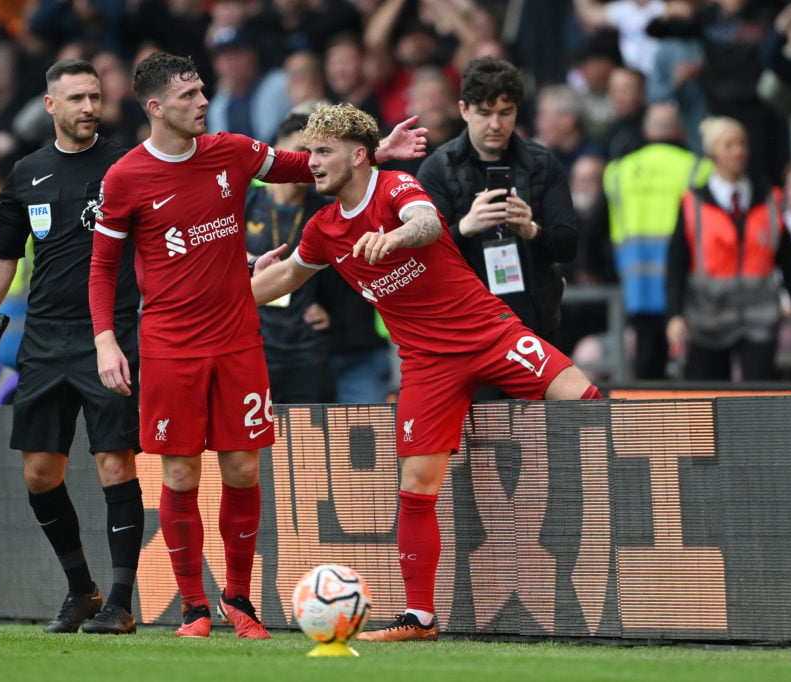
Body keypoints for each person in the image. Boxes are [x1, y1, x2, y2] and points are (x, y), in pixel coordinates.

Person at [88, 51, 426, 639]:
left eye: (201, 91)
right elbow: (101, 268)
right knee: (179, 476)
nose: (201, 102)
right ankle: (192, 607)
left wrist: (375, 156)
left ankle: (238, 600)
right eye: (189, 95)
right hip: (169, 344)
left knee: (244, 468)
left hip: (239, 336)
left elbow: (301, 166)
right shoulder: (125, 178)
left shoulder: (232, 151)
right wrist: (105, 341)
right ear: (156, 107)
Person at [250, 101, 602, 642]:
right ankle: (420, 619)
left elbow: (427, 221)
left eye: (323, 152)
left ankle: (627, 572)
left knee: (589, 403)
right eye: (308, 152)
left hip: (489, 333)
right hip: (425, 364)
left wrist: (391, 239)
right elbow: (279, 282)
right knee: (416, 489)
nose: (311, 163)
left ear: (359, 155)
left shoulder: (394, 188)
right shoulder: (321, 229)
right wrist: (214, 291)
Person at [0, 58, 144, 636]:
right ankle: (82, 590)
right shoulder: (26, 173)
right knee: (40, 471)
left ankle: (119, 601)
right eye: (77, 99)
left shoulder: (126, 164)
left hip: (108, 334)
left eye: (95, 97)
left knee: (114, 461)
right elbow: (4, 254)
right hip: (43, 337)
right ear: (50, 106)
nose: (89, 107)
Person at [417, 56, 577, 348]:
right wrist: (466, 226)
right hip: (465, 328)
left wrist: (531, 230)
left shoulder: (543, 164)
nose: (495, 124)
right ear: (464, 110)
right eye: (484, 113)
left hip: (535, 327)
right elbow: (422, 255)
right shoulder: (437, 168)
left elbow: (568, 245)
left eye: (506, 112)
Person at [666, 116, 791, 382]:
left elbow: (785, 258)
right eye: (729, 145)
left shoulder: (770, 199)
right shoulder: (693, 203)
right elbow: (677, 263)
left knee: (757, 394)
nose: (739, 151)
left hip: (759, 317)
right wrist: (675, 315)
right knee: (708, 398)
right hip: (708, 318)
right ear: (712, 152)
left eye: (742, 143)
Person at [604, 102, 710, 380]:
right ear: (679, 130)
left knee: (646, 364)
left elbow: (598, 227)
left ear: (646, 130)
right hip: (686, 284)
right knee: (689, 370)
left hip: (636, 283)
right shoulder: (698, 168)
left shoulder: (617, 171)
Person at [245, 111, 333, 403]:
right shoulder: (244, 201)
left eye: (316, 153)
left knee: (309, 445)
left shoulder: (325, 210)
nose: (309, 162)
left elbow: (347, 271)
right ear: (277, 151)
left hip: (307, 350)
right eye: (300, 151)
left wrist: (332, 311)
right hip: (252, 344)